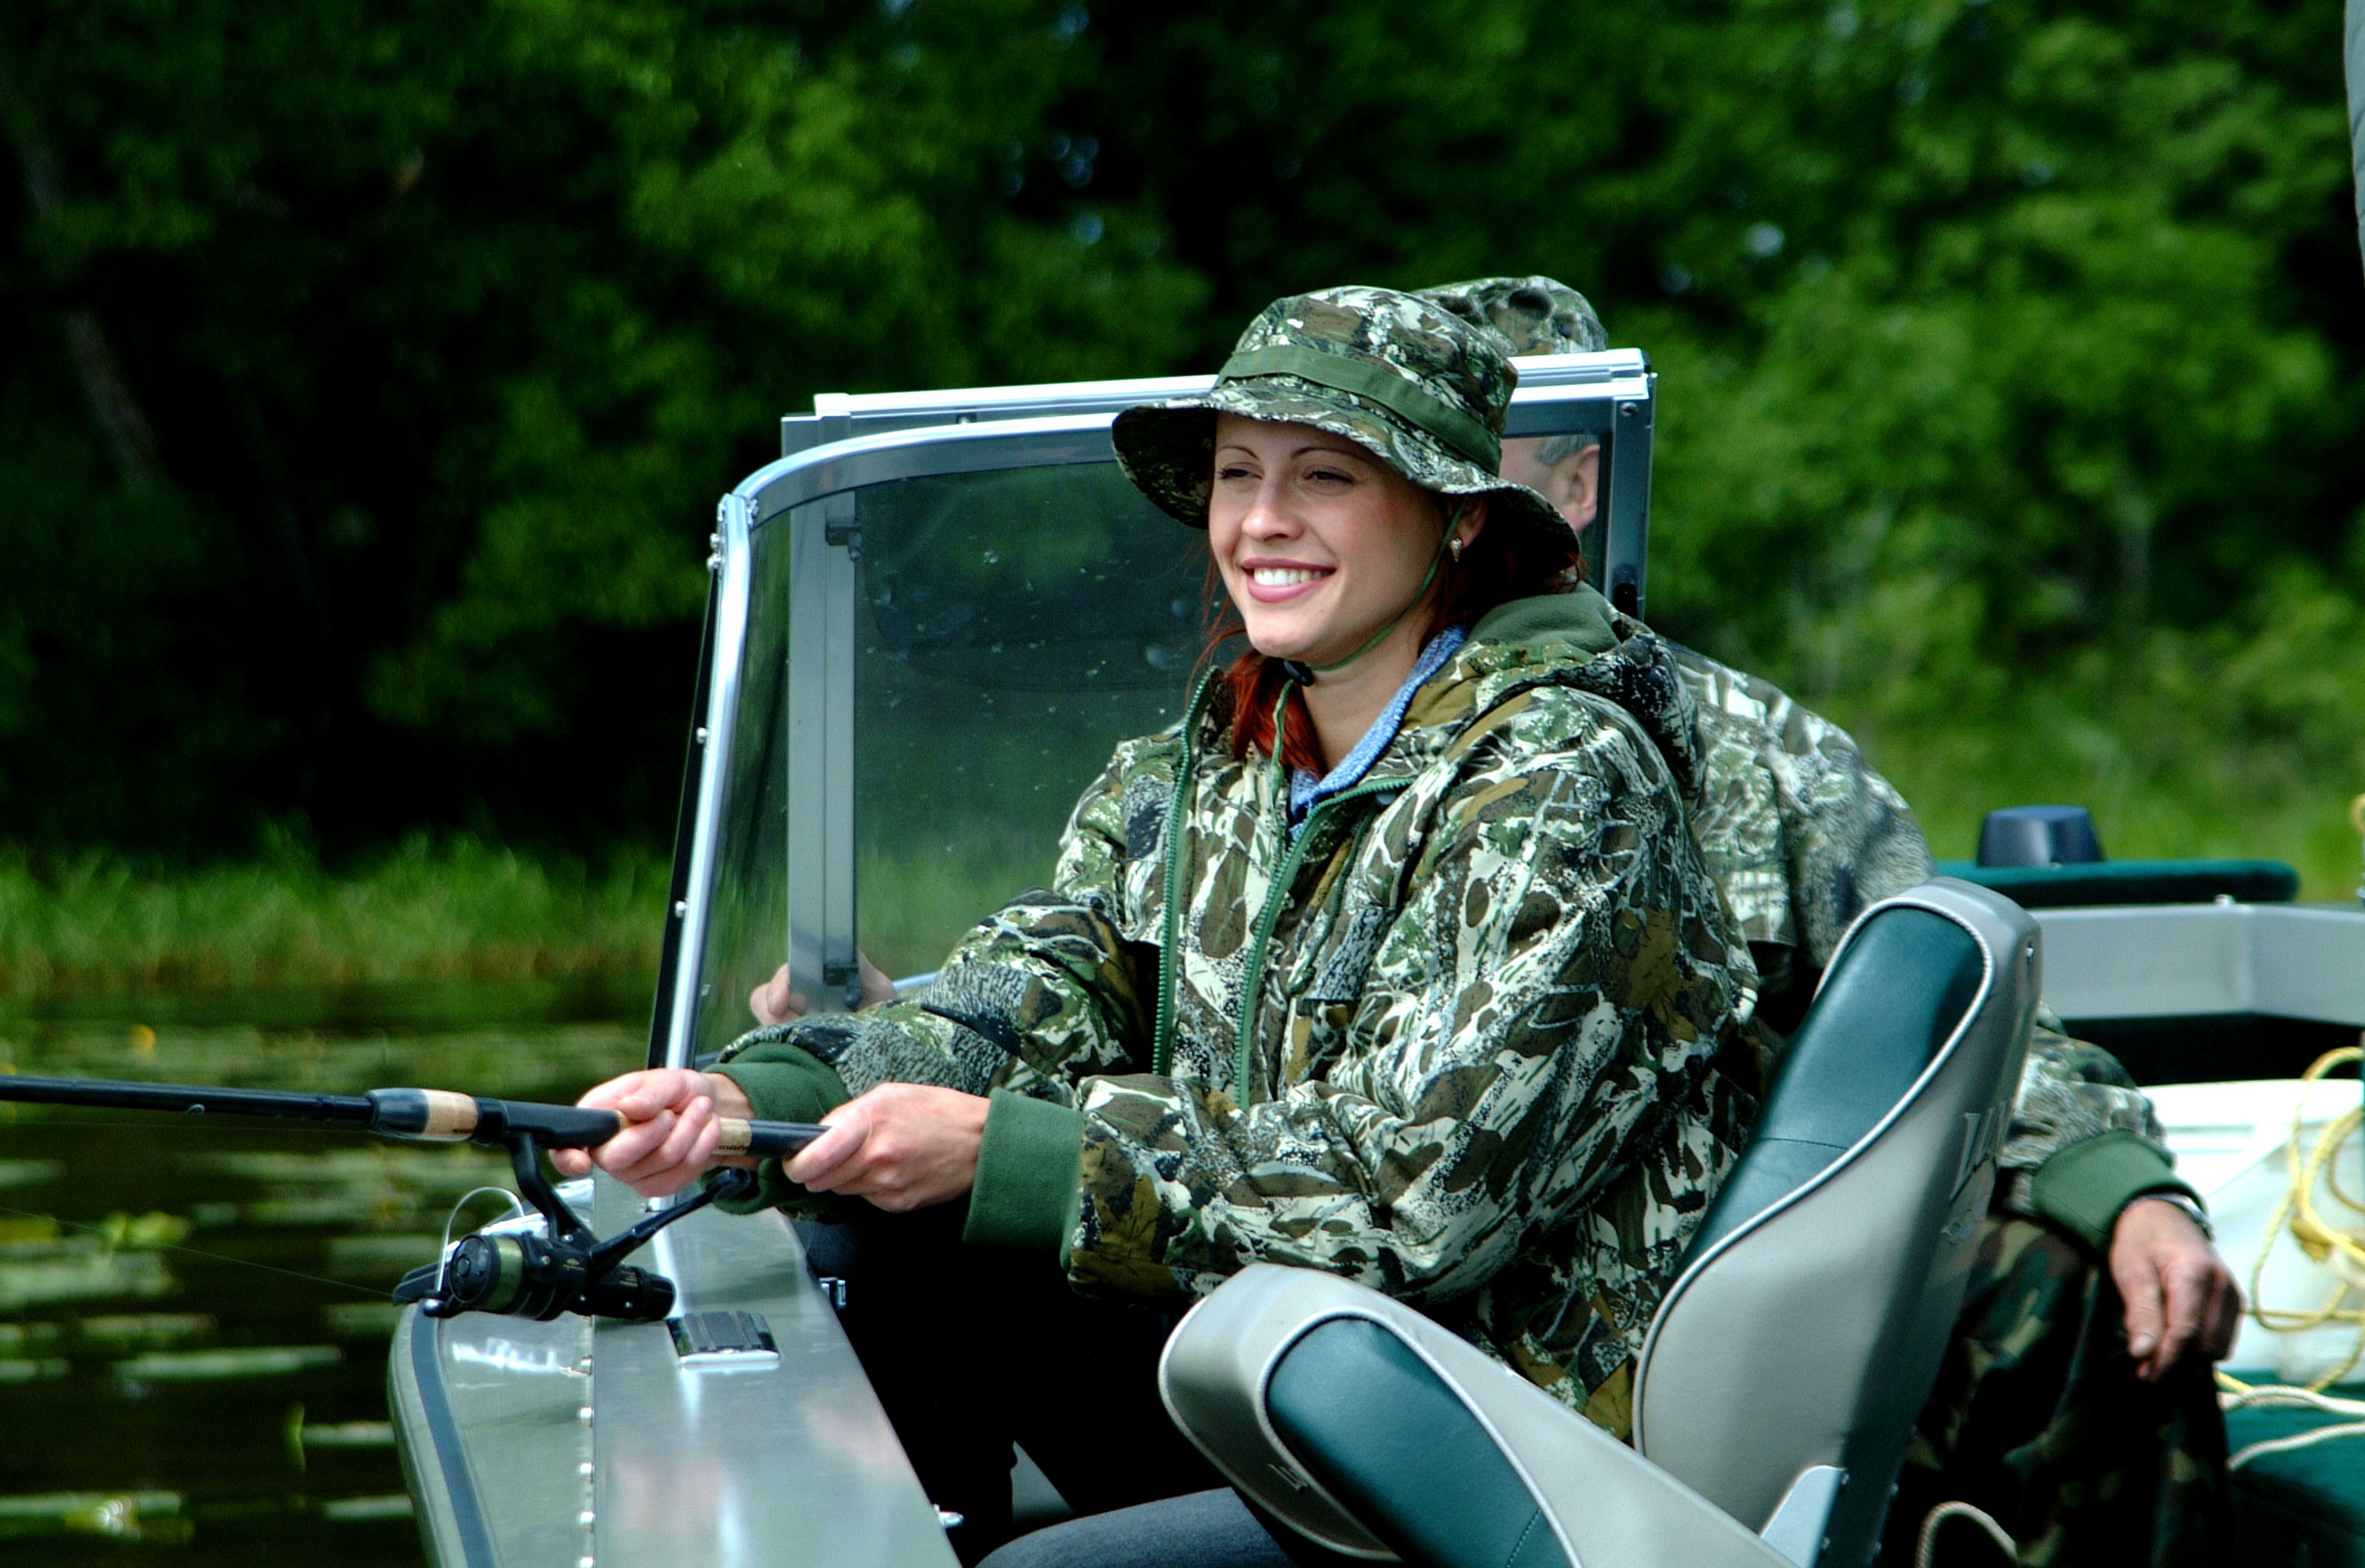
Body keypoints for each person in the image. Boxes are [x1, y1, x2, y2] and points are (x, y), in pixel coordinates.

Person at [556, 285, 1768, 1566]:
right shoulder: (1205, 768)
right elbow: (1034, 991)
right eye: (1238, 473)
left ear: (1457, 516)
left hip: (1500, 1451)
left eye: (1326, 476)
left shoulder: (1566, 784)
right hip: (1276, 1373)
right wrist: (760, 1100)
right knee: (891, 1228)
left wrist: (1023, 1154)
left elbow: (1417, 1194)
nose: (1263, 520)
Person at [1418, 274, 2243, 1567]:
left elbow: (1956, 1012)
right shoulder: (1273, 762)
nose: (1438, 494)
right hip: (1416, 1296)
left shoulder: (1750, 753)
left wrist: (2123, 1191)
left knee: (2085, 1288)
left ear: (1579, 486)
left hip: (1716, 1307)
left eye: (1477, 451)